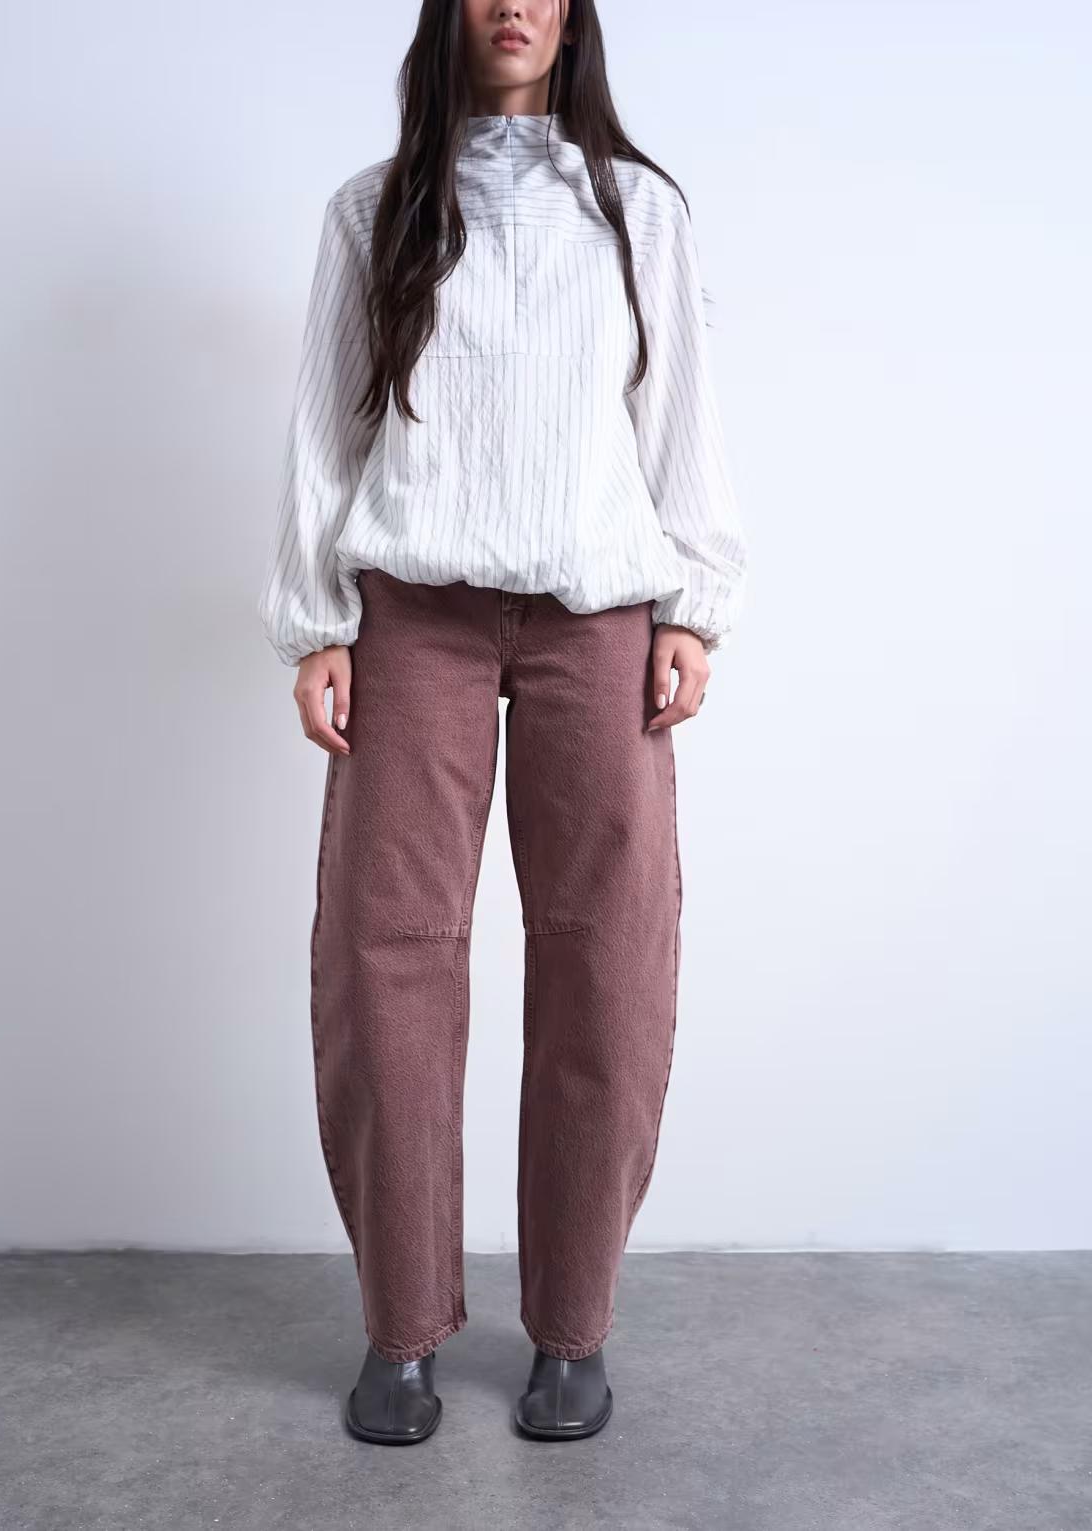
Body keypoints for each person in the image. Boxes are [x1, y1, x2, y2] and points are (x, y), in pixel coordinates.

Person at [258, 0, 748, 1445]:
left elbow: (681, 413)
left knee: (609, 957)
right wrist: (316, 622)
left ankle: (572, 1329)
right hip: (413, 614)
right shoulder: (374, 211)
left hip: (600, 617)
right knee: (385, 954)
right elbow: (326, 427)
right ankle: (401, 1330)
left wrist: (694, 606)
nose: (515, 3)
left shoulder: (637, 211)